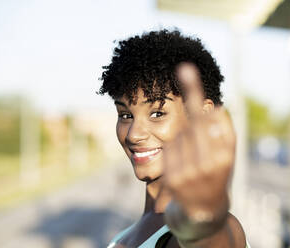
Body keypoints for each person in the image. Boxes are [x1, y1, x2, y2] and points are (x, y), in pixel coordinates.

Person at [99, 29, 248, 248]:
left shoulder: (212, 229)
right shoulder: (127, 234)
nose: (133, 134)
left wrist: (205, 223)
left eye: (157, 113)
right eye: (126, 115)